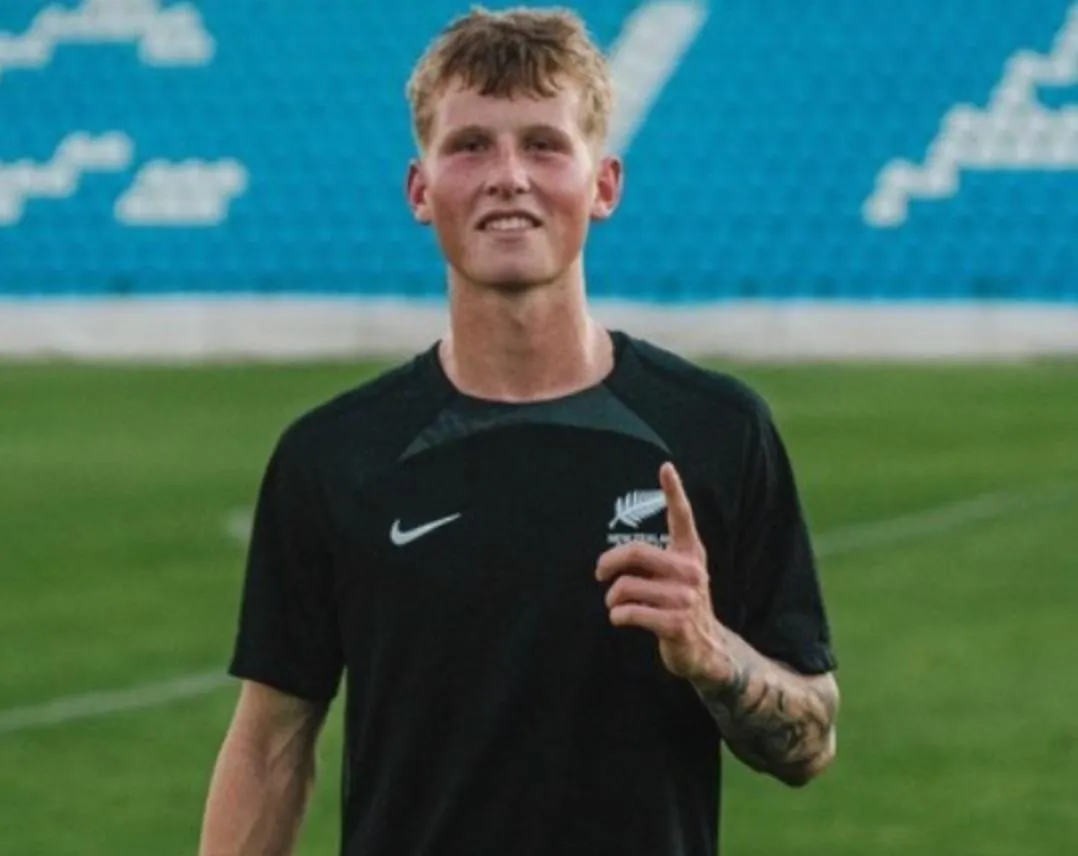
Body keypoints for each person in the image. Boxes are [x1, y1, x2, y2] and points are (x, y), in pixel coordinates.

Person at [197, 7, 840, 856]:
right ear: (420, 190)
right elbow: (270, 747)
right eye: (470, 146)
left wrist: (712, 652)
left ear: (604, 185)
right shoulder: (335, 456)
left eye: (543, 145)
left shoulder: (717, 431)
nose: (508, 177)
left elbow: (811, 742)